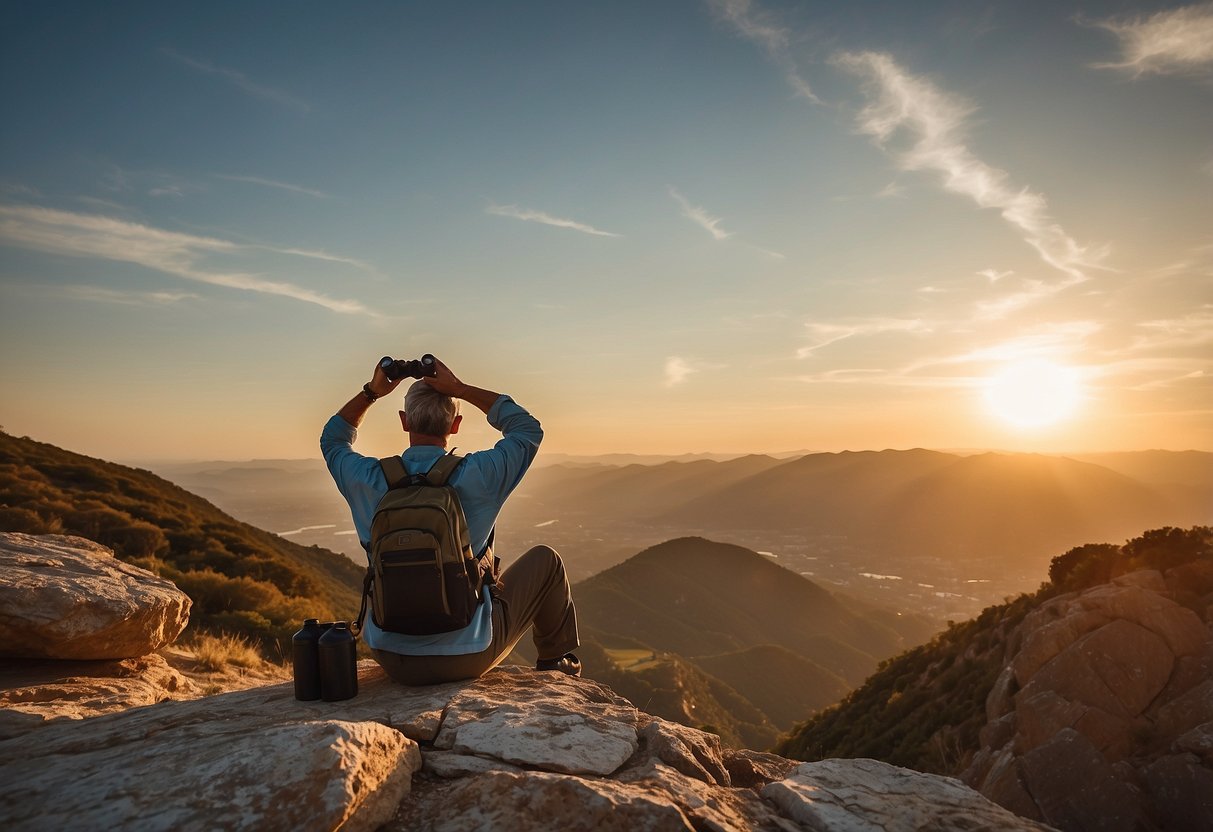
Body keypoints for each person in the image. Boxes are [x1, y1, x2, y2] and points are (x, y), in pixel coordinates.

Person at [320, 355, 580, 685]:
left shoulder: (368, 477)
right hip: (465, 655)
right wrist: (460, 389)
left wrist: (372, 392)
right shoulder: (480, 474)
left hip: (391, 655)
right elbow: (527, 429)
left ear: (404, 421)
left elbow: (332, 438)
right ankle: (556, 666)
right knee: (547, 561)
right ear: (455, 425)